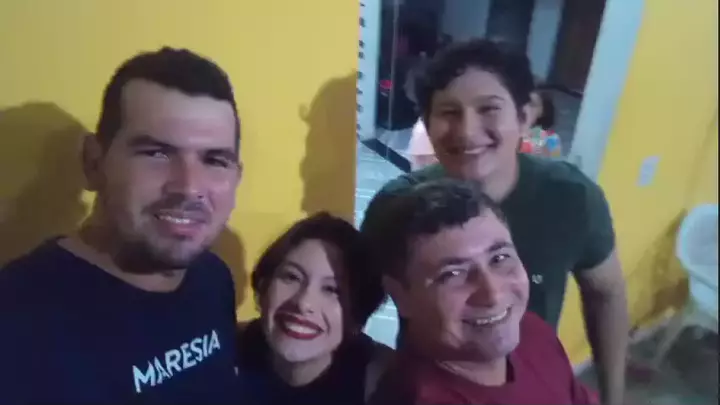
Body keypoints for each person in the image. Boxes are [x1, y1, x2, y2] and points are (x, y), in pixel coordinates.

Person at [362, 39, 628, 405]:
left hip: (532, 378)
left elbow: (606, 293)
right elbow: (354, 306)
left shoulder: (571, 197)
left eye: (489, 109)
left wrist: (614, 396)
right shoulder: (396, 207)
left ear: (525, 115)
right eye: (449, 112)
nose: (467, 131)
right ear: (427, 124)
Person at [0, 48, 243, 404]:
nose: (190, 187)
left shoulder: (214, 279)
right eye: (157, 153)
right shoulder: (16, 322)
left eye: (215, 160)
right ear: (94, 163)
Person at [363, 179, 599, 404]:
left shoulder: (532, 332)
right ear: (400, 295)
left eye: (499, 258)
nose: (493, 294)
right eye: (452, 274)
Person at [236, 212, 390, 405]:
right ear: (264, 285)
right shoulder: (222, 349)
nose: (303, 303)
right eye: (292, 277)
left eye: (331, 289)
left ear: (357, 315)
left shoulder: (382, 381)